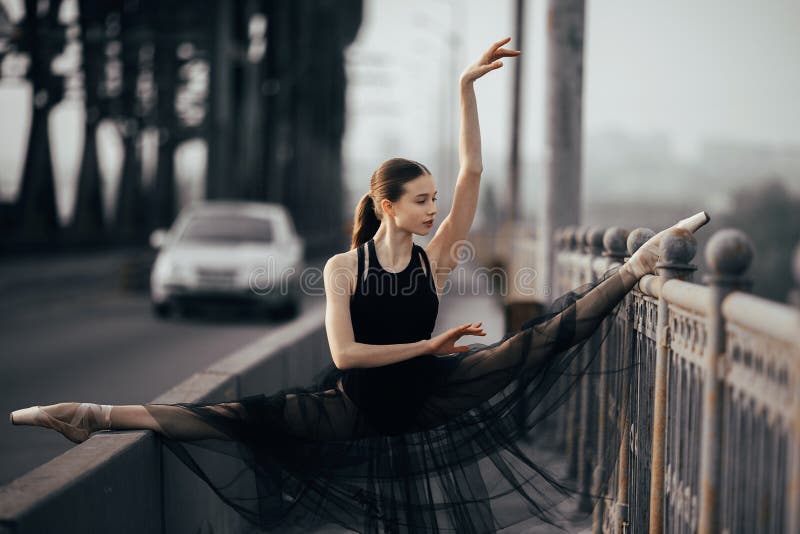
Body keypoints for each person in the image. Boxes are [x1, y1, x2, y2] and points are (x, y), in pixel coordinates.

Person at [10, 37, 709, 533]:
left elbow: (472, 174)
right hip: (357, 407)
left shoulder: (436, 259)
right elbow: (345, 359)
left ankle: (638, 263)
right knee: (229, 418)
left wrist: (465, 87)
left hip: (434, 394)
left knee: (541, 339)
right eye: (422, 199)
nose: (435, 208)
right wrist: (432, 343)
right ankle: (91, 415)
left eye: (435, 199)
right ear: (387, 205)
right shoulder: (345, 269)